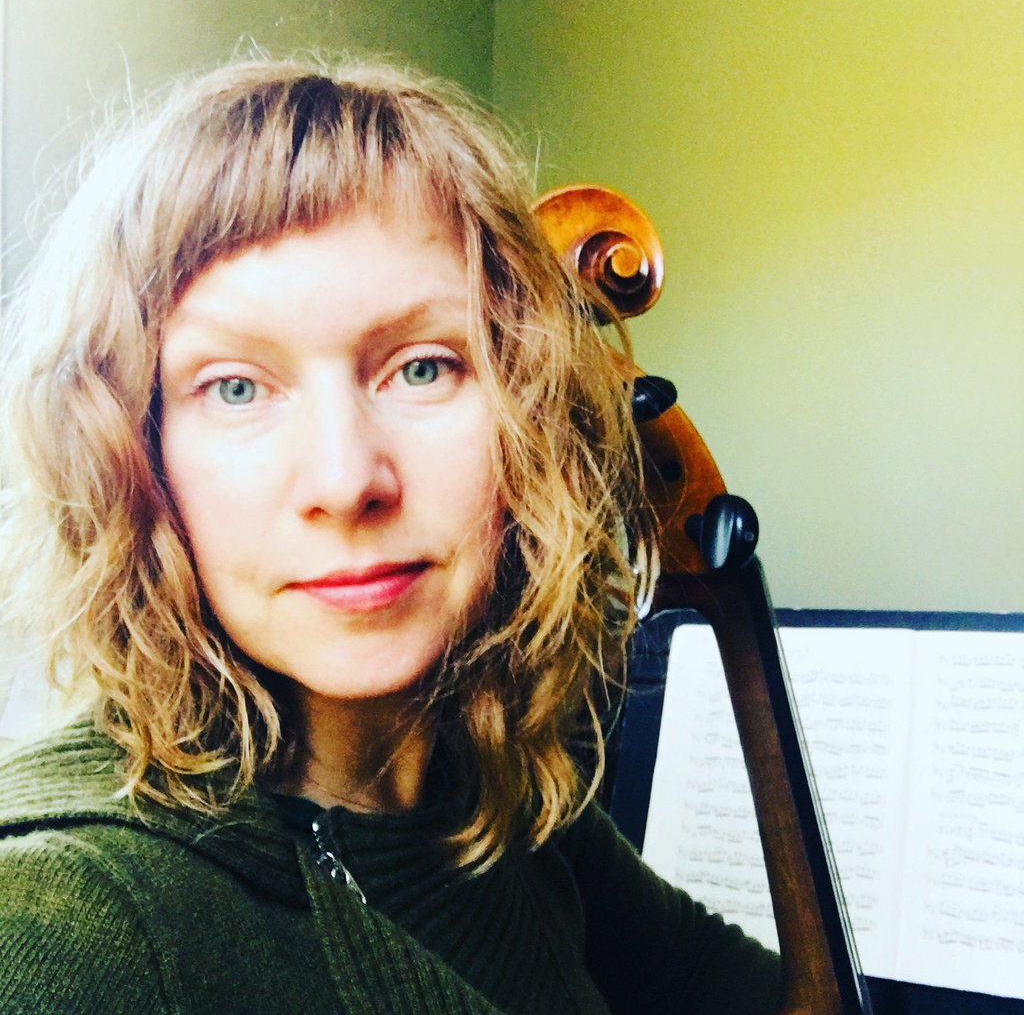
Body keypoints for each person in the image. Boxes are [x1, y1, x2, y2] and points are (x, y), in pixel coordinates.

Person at [0, 55, 781, 1014]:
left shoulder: (488, 792)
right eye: (235, 387)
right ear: (134, 452)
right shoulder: (67, 924)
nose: (345, 481)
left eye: (422, 368)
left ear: (529, 411)